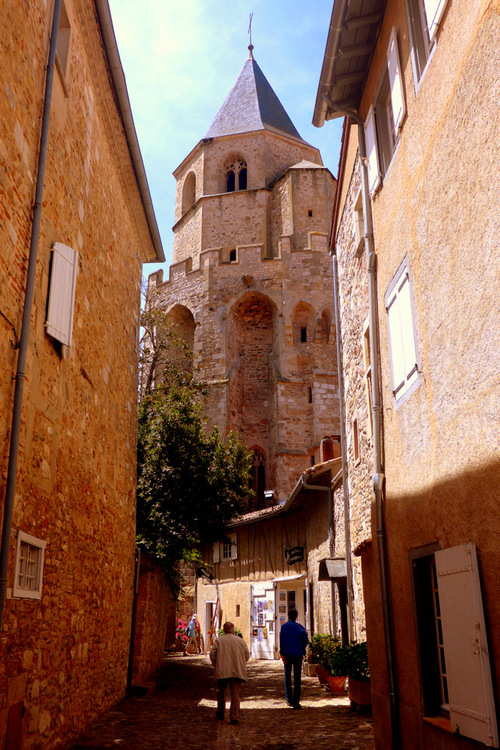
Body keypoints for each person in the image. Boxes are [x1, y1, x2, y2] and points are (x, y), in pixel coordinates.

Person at [210, 622, 249, 724]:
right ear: (232, 629)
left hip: (222, 670)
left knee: (221, 692)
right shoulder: (240, 641)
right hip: (236, 670)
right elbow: (246, 655)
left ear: (223, 630)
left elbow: (212, 655)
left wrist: (216, 665)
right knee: (235, 694)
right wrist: (240, 663)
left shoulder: (219, 641)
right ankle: (234, 716)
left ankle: (220, 712)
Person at [279, 608, 309, 709]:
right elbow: (305, 640)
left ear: (288, 616)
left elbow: (282, 641)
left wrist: (282, 653)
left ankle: (289, 699)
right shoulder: (300, 627)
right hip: (297, 654)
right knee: (297, 677)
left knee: (287, 676)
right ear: (296, 617)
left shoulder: (284, 627)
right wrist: (301, 648)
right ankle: (296, 701)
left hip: (287, 654)